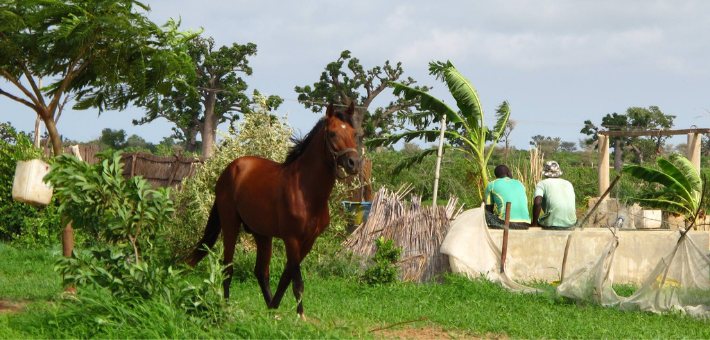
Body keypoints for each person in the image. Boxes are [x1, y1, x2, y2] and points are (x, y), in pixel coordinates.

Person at [531, 161, 577, 230]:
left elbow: (537, 203)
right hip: (571, 223)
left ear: (546, 173)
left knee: (541, 222)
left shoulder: (542, 184)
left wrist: (534, 223)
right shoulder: (568, 183)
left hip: (552, 223)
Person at [484, 165, 531, 229]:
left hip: (506, 223)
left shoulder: (492, 185)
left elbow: (489, 211)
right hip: (526, 223)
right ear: (509, 173)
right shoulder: (519, 183)